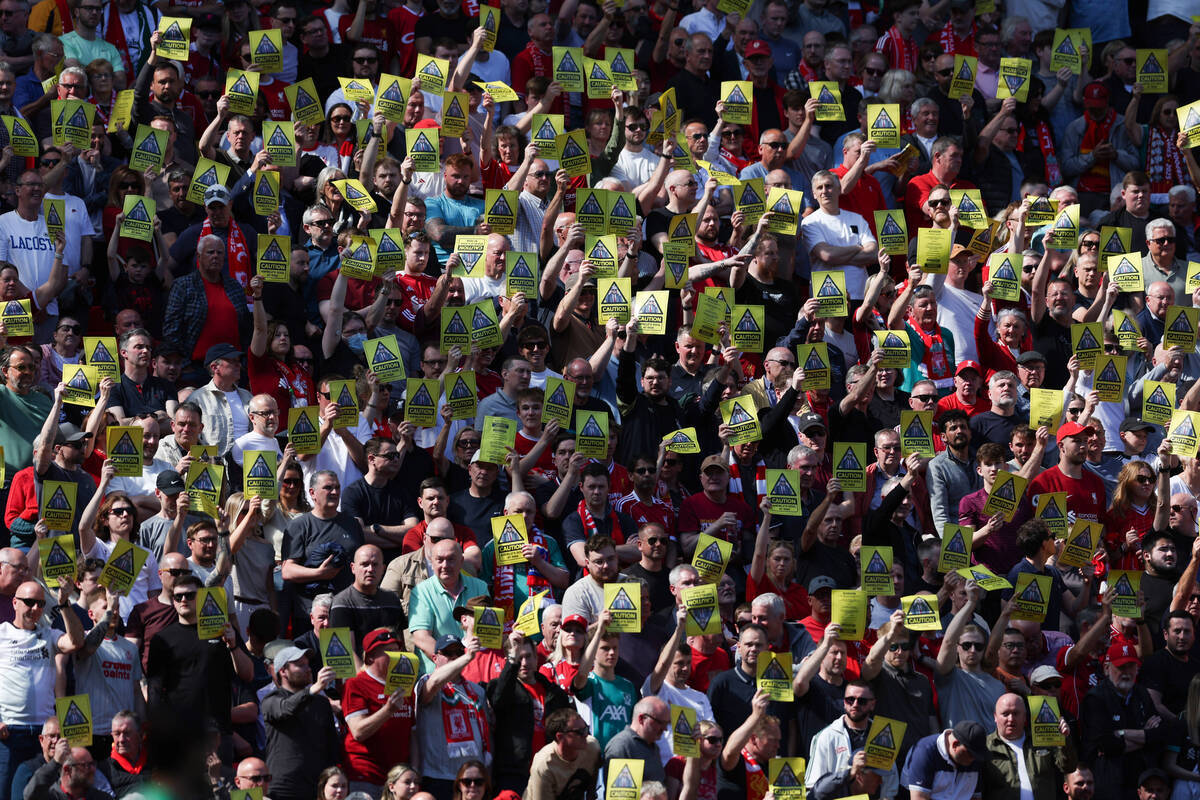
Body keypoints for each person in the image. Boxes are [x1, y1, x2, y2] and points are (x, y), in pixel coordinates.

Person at [261, 646, 341, 800]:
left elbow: (332, 748)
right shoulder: (271, 700)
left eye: (308, 664)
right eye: (300, 665)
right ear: (283, 671)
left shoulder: (321, 703)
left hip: (317, 788)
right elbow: (287, 708)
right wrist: (314, 689)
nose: (308, 669)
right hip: (283, 789)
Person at [342, 628, 416, 794]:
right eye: (389, 652)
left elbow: (413, 734)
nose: (396, 657)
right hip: (366, 775)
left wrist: (415, 772)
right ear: (370, 657)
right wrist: (388, 710)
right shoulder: (356, 684)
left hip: (398, 778)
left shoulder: (405, 686)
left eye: (397, 651)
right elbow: (358, 731)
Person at [806, 680, 900, 800]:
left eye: (862, 701)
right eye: (850, 700)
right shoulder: (826, 736)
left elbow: (890, 783)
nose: (855, 704)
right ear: (844, 702)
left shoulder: (883, 735)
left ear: (873, 704)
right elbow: (814, 788)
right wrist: (850, 772)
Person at [980, 693, 1076, 800]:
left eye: (1016, 713)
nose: (1011, 719)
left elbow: (1069, 767)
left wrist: (1064, 739)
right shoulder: (985, 747)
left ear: (1025, 716)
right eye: (1005, 714)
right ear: (995, 717)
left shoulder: (1042, 740)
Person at [900, 721, 989, 800]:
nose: (974, 758)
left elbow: (975, 797)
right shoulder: (923, 752)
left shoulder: (974, 758)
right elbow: (919, 797)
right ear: (955, 745)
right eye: (971, 754)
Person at [524, 708, 601, 800]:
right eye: (579, 732)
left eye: (586, 729)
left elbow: (591, 792)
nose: (585, 735)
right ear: (560, 737)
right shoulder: (544, 766)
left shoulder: (592, 748)